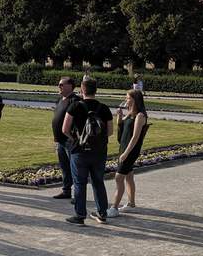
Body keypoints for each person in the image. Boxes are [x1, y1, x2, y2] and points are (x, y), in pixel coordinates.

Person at [62, 78, 113, 225]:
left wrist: (76, 139)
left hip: (79, 150)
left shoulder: (75, 106)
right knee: (98, 182)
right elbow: (109, 132)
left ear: (82, 90)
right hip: (99, 152)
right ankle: (102, 213)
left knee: (79, 183)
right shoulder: (104, 108)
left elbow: (64, 129)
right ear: (96, 90)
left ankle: (80, 215)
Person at [108, 90, 149, 218]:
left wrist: (126, 153)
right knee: (129, 176)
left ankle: (114, 208)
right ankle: (131, 204)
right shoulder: (130, 114)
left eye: (128, 98)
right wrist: (119, 116)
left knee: (119, 177)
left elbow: (135, 137)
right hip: (124, 147)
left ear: (135, 99)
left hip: (130, 150)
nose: (126, 100)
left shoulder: (140, 116)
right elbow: (121, 128)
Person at [51, 76, 80, 200]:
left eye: (62, 84)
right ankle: (66, 190)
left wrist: (74, 137)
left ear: (70, 86)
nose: (59, 87)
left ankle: (78, 194)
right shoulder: (60, 100)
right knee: (64, 167)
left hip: (70, 140)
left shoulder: (75, 100)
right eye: (59, 84)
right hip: (60, 140)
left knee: (74, 168)